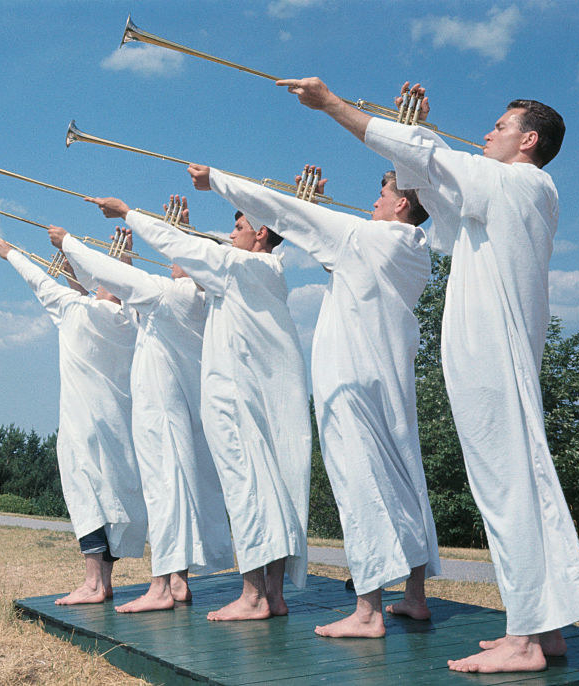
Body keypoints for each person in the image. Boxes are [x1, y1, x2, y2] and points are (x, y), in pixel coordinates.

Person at [276, 77, 579, 672]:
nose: (486, 133)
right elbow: (435, 185)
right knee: (514, 486)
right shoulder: (507, 191)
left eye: (499, 126)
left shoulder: (519, 182)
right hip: (488, 358)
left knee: (509, 491)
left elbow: (429, 164)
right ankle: (544, 630)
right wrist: (412, 135)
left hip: (492, 360)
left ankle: (527, 640)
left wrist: (330, 106)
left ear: (528, 140)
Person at [189, 161, 441, 638]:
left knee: (360, 482)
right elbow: (322, 244)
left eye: (381, 193)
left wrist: (218, 182)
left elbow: (295, 220)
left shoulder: (371, 239)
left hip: (353, 383)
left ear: (402, 203)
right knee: (405, 478)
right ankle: (415, 597)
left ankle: (368, 613)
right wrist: (310, 208)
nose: (374, 201)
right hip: (388, 378)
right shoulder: (410, 248)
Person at [87, 195, 312, 622]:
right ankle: (273, 595)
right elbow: (197, 253)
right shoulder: (255, 274)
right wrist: (182, 233)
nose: (230, 235)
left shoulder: (240, 270)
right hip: (261, 399)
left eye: (239, 226)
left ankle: (252, 596)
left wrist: (127, 214)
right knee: (271, 490)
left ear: (260, 233)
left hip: (238, 401)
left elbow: (194, 256)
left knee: (247, 491)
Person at [48, 216, 234, 613]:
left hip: (161, 412)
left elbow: (118, 285)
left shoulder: (170, 295)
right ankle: (177, 583)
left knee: (165, 493)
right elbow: (118, 290)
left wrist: (69, 243)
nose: (170, 260)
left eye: (180, 254)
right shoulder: (201, 298)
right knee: (181, 490)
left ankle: (161, 588)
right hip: (182, 410)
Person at [0, 239, 148, 605]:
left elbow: (41, 284)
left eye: (101, 279)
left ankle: (93, 583)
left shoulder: (74, 309)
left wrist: (10, 252)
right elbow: (92, 299)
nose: (94, 283)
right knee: (112, 495)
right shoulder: (132, 319)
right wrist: (85, 275)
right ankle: (104, 581)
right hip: (119, 424)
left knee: (87, 496)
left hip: (82, 423)